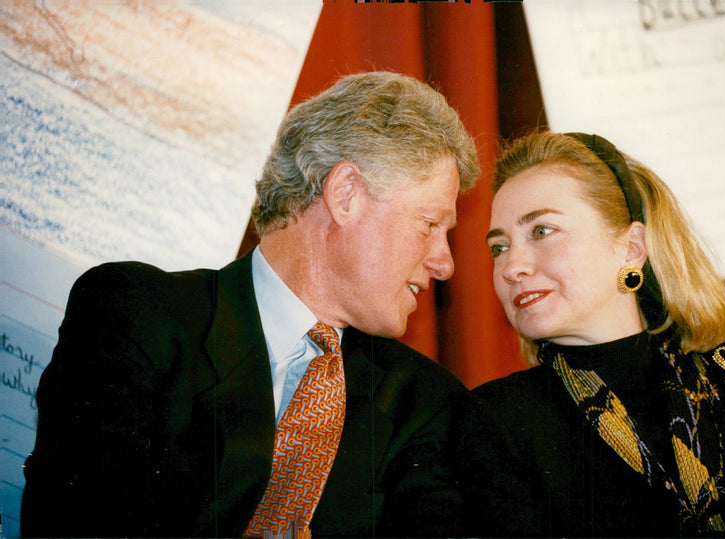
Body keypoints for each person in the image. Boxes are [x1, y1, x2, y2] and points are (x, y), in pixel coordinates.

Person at [20, 71, 482, 538]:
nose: (444, 264)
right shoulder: (138, 316)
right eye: (428, 224)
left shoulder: (427, 403)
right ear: (345, 194)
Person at [475, 130, 725, 537]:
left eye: (541, 231)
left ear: (631, 247)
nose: (511, 267)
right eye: (498, 247)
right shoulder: (494, 420)